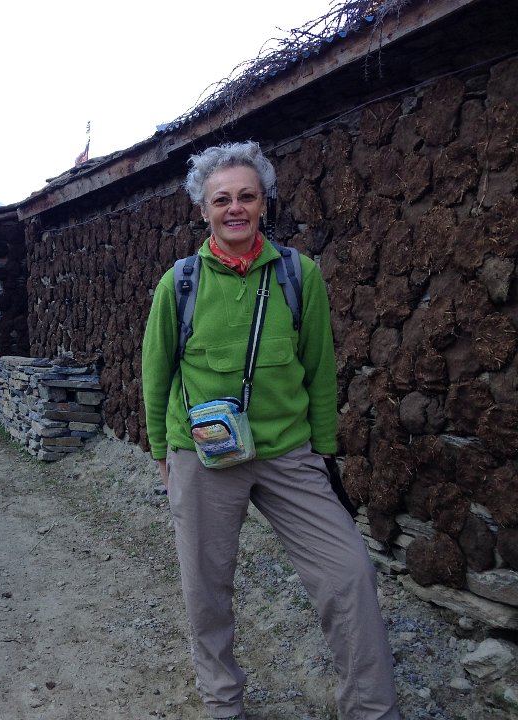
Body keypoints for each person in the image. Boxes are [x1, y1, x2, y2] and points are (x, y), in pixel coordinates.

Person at [141, 141, 400, 720]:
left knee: (349, 573)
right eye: (221, 200)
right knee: (206, 589)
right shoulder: (178, 284)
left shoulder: (297, 275)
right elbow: (156, 374)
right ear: (203, 210)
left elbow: (320, 369)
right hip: (204, 455)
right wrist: (163, 452)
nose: (234, 208)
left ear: (264, 203)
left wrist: (324, 453)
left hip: (288, 453)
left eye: (246, 197)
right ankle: (223, 702)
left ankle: (371, 709)